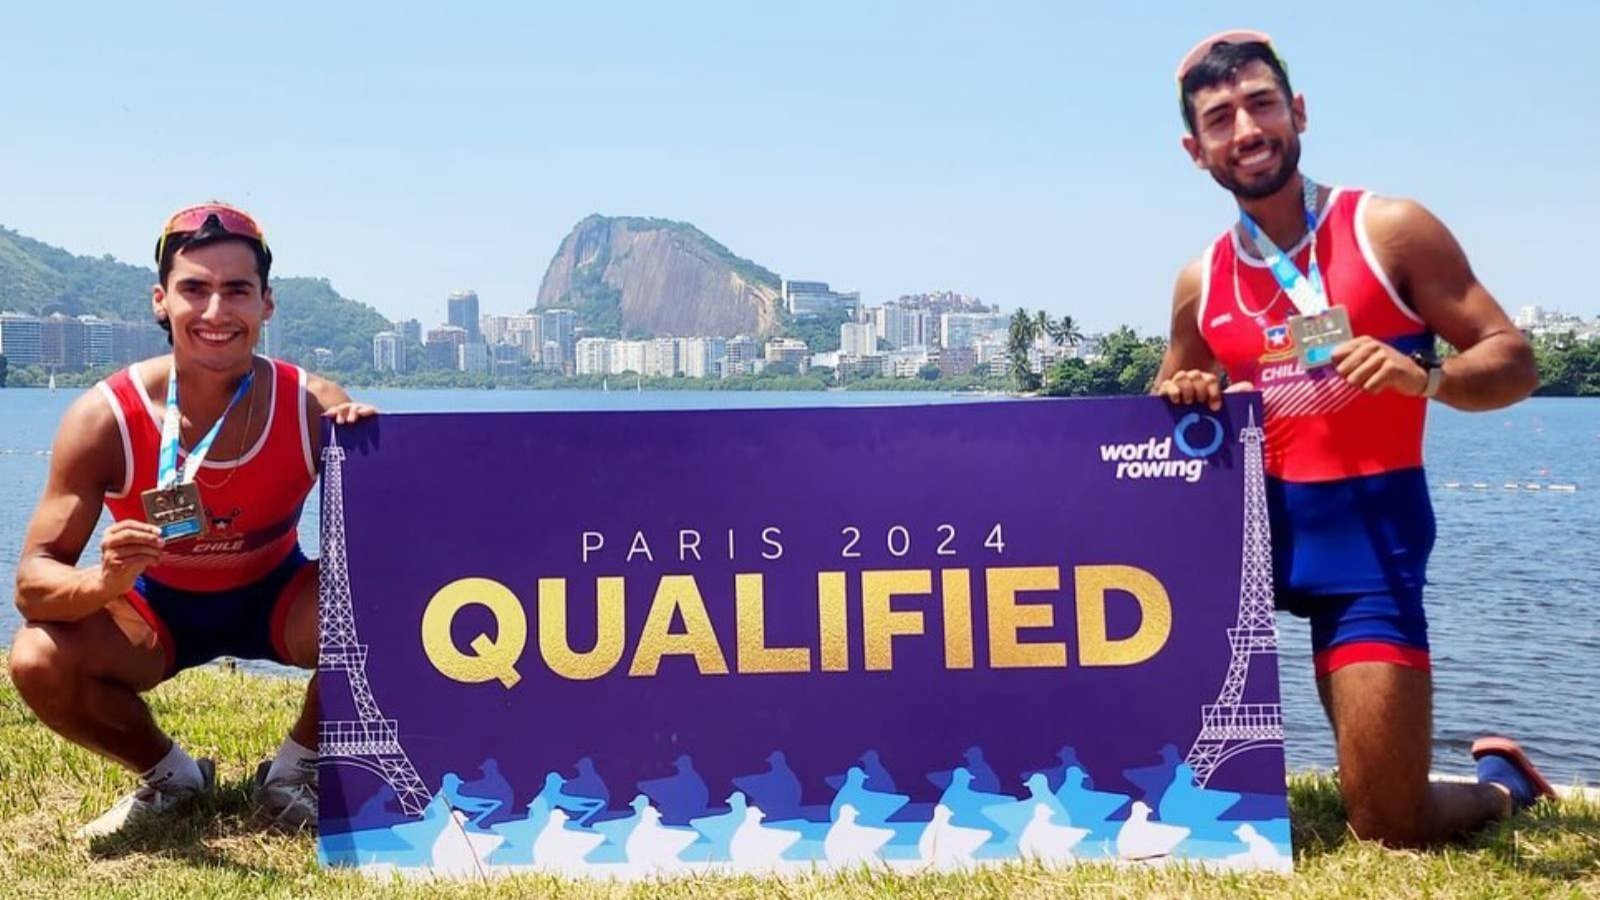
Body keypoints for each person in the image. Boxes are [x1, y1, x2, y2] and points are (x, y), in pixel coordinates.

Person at [1156, 31, 1555, 846]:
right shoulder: (1201, 279)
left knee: (1386, 827)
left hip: (1366, 546)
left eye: (1262, 104)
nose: (1248, 129)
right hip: (1241, 553)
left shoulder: (1390, 229)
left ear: (1297, 111)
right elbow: (1167, 401)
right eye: (1222, 118)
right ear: (1197, 152)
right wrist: (1184, 391)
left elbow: (1514, 362)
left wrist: (1433, 380)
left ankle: (1501, 783)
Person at [8, 202, 375, 837]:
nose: (214, 312)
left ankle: (292, 773)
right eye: (194, 290)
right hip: (153, 606)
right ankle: (173, 777)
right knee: (37, 658)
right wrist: (104, 582)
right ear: (160, 301)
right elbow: (33, 585)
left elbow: (394, 544)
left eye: (236, 290)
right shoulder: (105, 418)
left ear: (267, 304)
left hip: (274, 594)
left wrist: (381, 454)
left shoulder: (313, 405)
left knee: (389, 601)